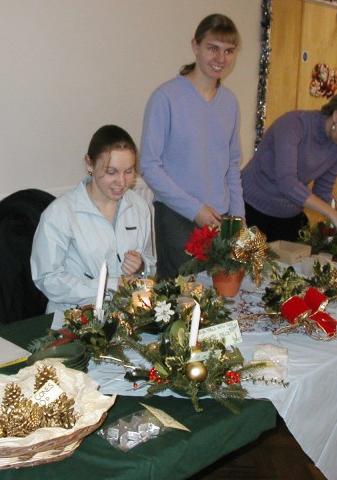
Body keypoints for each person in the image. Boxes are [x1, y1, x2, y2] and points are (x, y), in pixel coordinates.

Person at [139, 13, 245, 279]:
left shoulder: (230, 103)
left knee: (218, 302)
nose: (221, 59)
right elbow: (150, 166)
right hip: (177, 218)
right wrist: (195, 209)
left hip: (220, 220)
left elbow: (232, 165)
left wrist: (239, 218)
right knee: (182, 304)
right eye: (213, 49)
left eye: (229, 51)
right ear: (195, 46)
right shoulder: (166, 98)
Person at [31, 125, 156, 328]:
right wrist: (106, 287)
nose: (121, 182)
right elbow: (47, 278)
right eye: (111, 172)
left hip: (127, 316)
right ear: (89, 164)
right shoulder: (61, 214)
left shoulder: (139, 207)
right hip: (74, 320)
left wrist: (141, 266)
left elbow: (151, 263)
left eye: (129, 172)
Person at [242, 88, 337, 242]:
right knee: (247, 265)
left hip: (288, 217)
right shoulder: (294, 124)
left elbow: (322, 192)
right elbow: (287, 182)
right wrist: (332, 214)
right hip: (251, 209)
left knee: (283, 265)